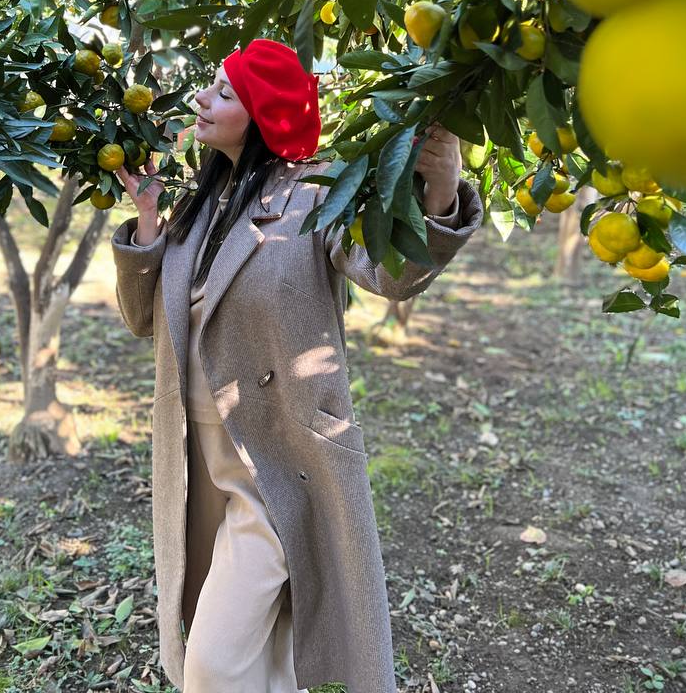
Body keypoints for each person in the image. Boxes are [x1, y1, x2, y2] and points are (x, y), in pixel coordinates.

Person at [111, 37, 484, 693]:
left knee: (212, 665)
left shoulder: (316, 194)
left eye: (224, 92)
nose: (201, 98)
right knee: (263, 654)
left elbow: (391, 276)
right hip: (198, 457)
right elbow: (144, 320)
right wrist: (147, 220)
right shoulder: (204, 200)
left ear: (264, 116)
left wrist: (443, 189)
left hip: (275, 462)